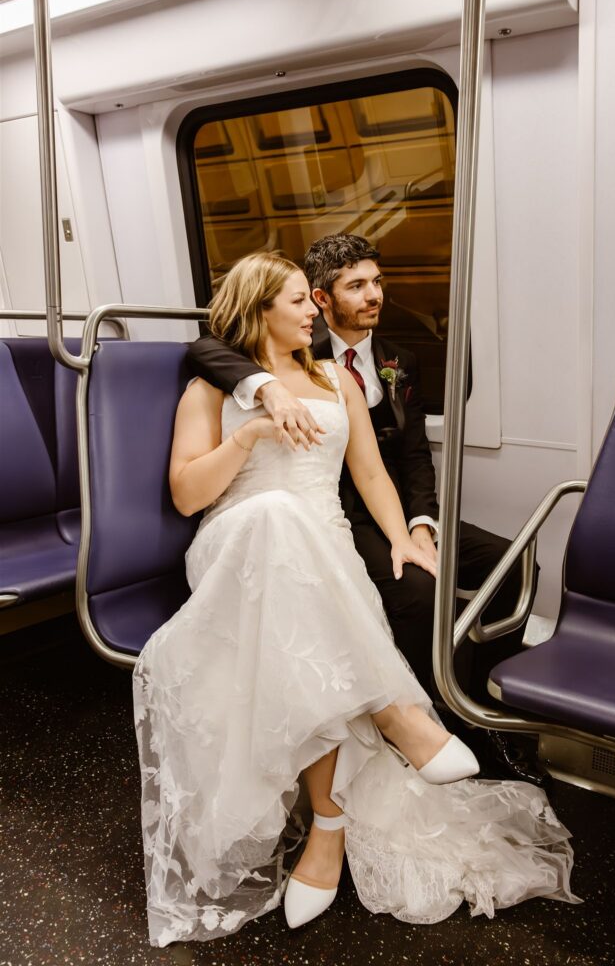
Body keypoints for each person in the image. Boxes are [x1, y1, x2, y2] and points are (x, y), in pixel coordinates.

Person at [133, 251, 578, 947]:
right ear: (260, 311)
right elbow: (189, 494)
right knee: (276, 516)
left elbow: (369, 472)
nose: (314, 310)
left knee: (306, 634)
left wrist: (403, 537)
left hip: (325, 556)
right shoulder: (212, 390)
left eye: (312, 301)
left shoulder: (335, 379)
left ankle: (330, 830)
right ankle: (395, 712)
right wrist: (249, 432)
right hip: (238, 545)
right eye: (297, 302)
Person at [188, 234, 542, 782]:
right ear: (324, 299)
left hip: (385, 506)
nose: (375, 295)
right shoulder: (276, 359)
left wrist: (418, 525)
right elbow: (204, 347)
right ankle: (419, 713)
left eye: (377, 282)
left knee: (514, 563)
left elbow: (409, 455)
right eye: (357, 286)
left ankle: (484, 707)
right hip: (327, 512)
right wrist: (265, 391)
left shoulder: (397, 357)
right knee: (419, 590)